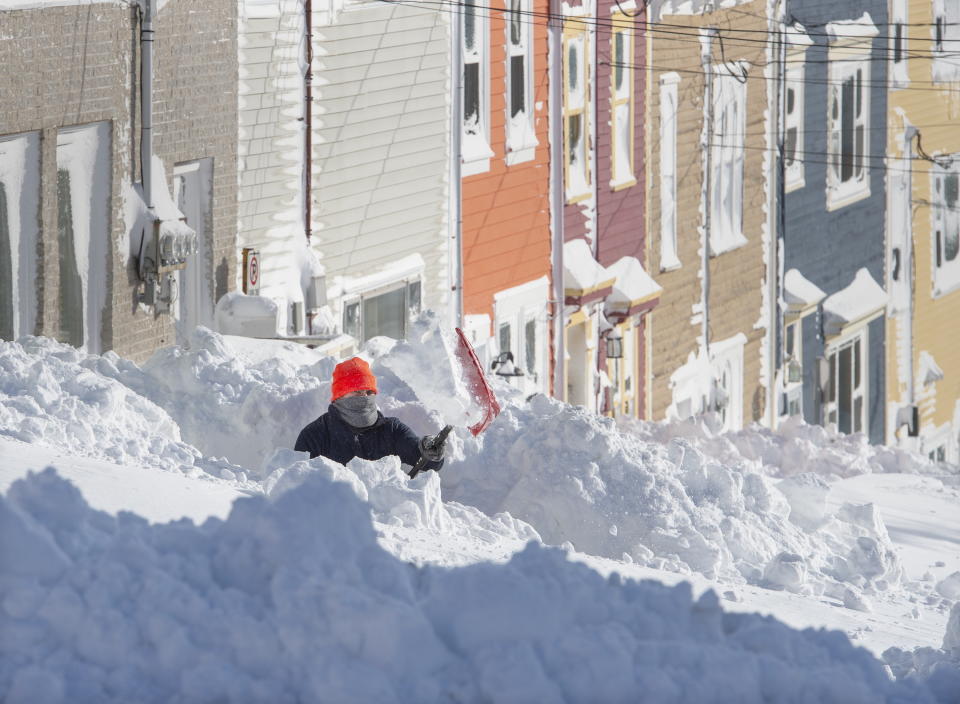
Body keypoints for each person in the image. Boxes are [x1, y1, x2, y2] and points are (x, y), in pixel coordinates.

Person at [294, 357, 445, 473]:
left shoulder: (392, 430)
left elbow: (426, 462)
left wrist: (430, 451)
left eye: (369, 392)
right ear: (340, 395)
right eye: (358, 392)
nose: (365, 397)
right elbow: (298, 486)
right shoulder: (314, 436)